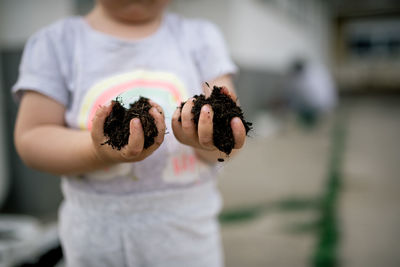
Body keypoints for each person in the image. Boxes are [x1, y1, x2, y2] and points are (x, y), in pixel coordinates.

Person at [12, 0, 247, 266]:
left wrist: (207, 139)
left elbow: (228, 134)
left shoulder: (202, 38)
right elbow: (33, 137)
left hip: (188, 242)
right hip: (95, 246)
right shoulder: (55, 43)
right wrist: (95, 150)